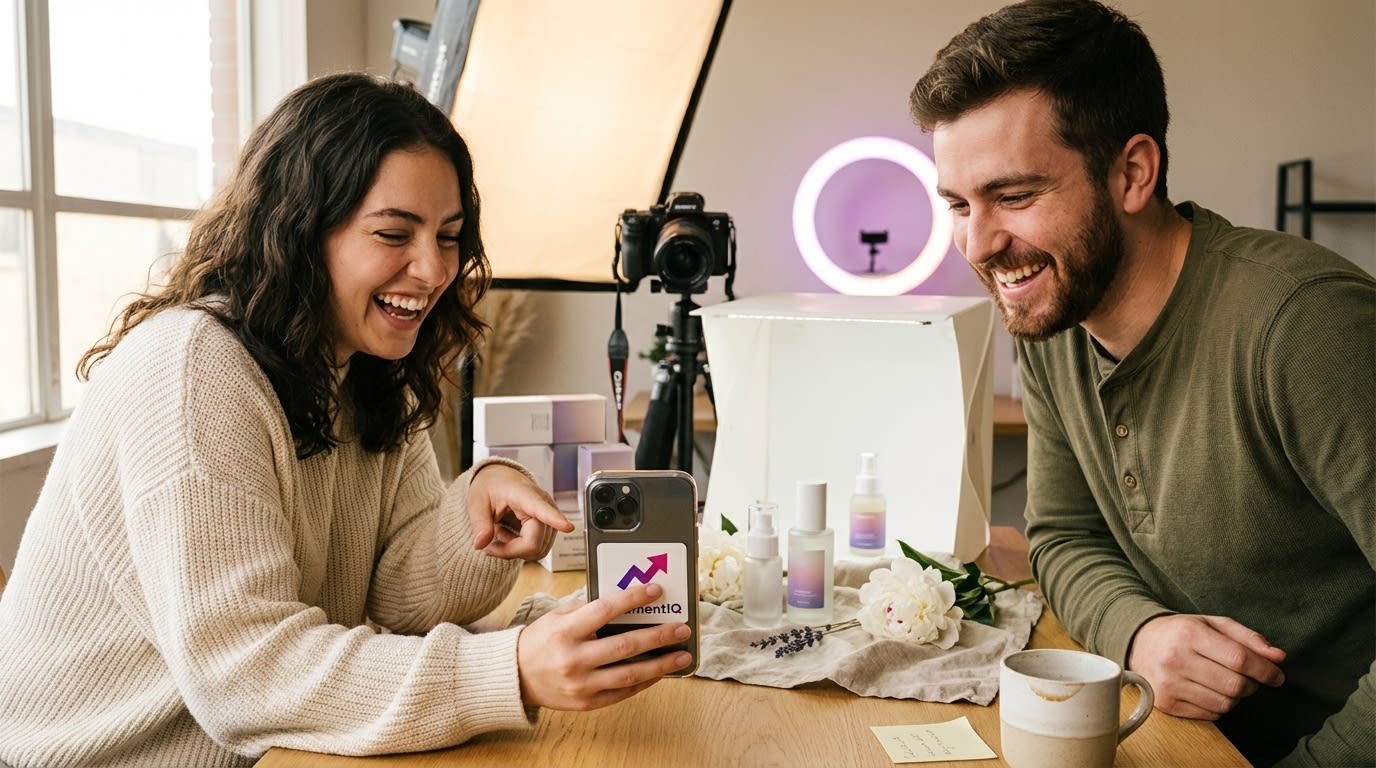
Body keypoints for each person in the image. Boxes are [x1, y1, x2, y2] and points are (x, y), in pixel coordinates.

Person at [0, 72, 692, 768]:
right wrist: (507, 669)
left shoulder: (365, 366)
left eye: (450, 237)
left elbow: (396, 598)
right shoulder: (192, 370)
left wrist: (472, 515)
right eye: (394, 233)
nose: (434, 270)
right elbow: (246, 676)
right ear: (299, 230)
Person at [909, 1, 1374, 766]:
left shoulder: (1304, 326)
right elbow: (1065, 535)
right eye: (959, 205)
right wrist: (1139, 631)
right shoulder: (1056, 311)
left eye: (1014, 197)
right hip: (1176, 738)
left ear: (1132, 173)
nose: (979, 244)